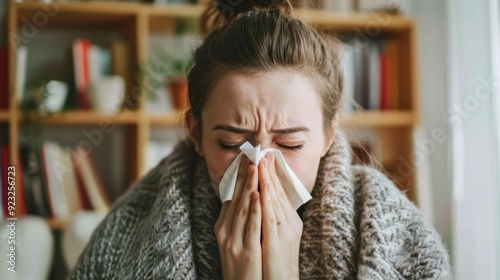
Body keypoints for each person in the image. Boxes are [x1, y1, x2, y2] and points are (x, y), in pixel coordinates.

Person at [69, 0, 452, 279]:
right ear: (196, 133)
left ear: (328, 134)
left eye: (289, 144)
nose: (259, 166)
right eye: (233, 143)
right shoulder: (126, 236)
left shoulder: (394, 236)